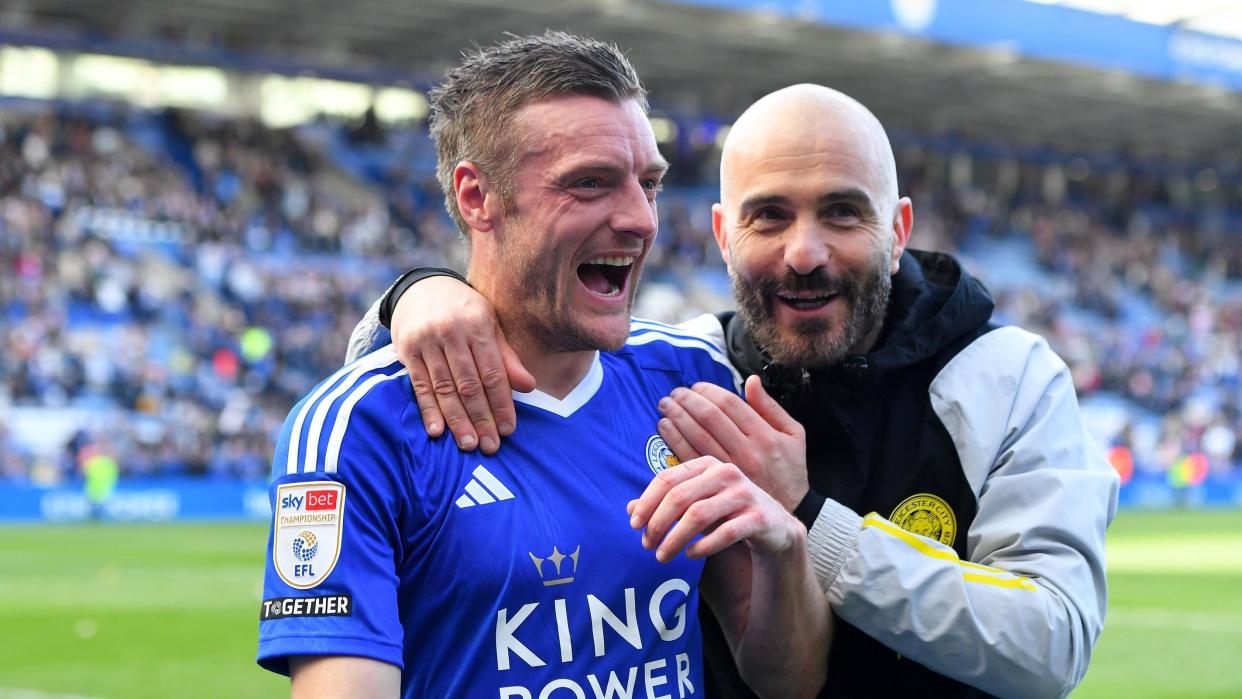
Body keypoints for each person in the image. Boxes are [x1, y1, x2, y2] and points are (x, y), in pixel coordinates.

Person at [350, 83, 1120, 698]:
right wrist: (413, 296)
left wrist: (811, 521)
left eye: (843, 213)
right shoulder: (689, 369)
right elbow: (470, 354)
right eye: (769, 216)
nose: (806, 252)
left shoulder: (1005, 375)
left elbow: (1050, 642)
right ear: (722, 235)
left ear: (898, 230)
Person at [258, 33, 828, 699]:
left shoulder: (690, 380)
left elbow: (788, 681)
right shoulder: (358, 429)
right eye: (589, 183)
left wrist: (785, 549)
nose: (642, 220)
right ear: (478, 198)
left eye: (649, 183)